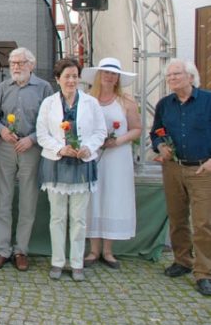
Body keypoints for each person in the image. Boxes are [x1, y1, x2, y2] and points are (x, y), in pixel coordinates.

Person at [36, 58, 106, 281]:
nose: (72, 80)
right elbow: (42, 134)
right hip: (56, 164)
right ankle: (57, 261)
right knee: (57, 216)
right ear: (57, 79)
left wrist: (89, 147)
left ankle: (77, 263)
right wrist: (60, 149)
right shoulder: (48, 103)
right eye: (67, 76)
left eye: (75, 76)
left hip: (82, 165)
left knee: (78, 218)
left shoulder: (91, 103)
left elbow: (100, 132)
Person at [0, 47, 53, 271]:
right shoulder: (3, 87)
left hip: (30, 148)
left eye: (21, 62)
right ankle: (2, 250)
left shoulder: (44, 88)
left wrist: (33, 139)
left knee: (27, 201)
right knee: (2, 199)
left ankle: (21, 250)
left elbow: (50, 122)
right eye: (12, 63)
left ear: (31, 65)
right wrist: (1, 131)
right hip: (5, 147)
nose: (15, 67)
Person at [150, 59, 211, 297]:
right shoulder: (165, 104)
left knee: (203, 223)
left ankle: (204, 272)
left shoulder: (207, 101)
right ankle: (182, 260)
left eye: (177, 74)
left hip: (202, 169)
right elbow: (155, 131)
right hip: (173, 168)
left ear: (191, 76)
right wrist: (159, 146)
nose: (172, 78)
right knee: (177, 218)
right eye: (169, 76)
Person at [82, 57, 141, 269]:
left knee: (113, 197)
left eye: (113, 73)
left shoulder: (126, 102)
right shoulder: (88, 100)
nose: (109, 76)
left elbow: (136, 129)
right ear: (99, 75)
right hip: (94, 155)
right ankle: (93, 249)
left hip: (117, 157)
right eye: (106, 72)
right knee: (93, 197)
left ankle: (108, 250)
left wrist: (117, 141)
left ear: (118, 78)